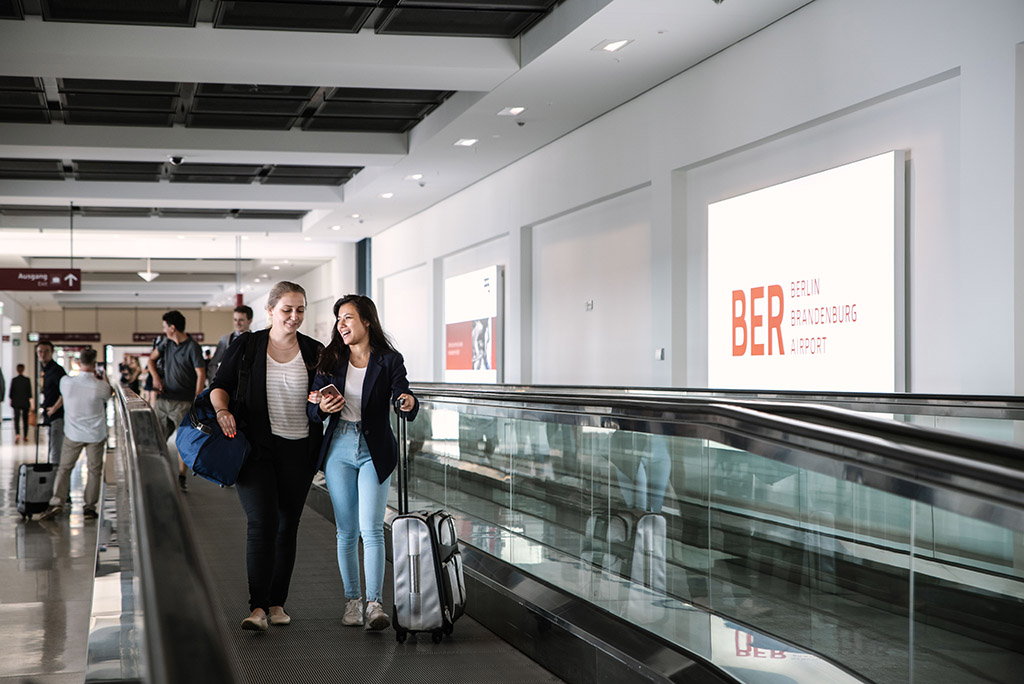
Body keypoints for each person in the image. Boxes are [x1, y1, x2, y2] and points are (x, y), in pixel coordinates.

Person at [210, 282, 324, 632]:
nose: (294, 316)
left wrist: (327, 403)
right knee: (262, 523)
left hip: (300, 450)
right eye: (287, 309)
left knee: (287, 526)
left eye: (300, 309)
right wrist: (221, 410)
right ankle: (257, 607)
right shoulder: (248, 345)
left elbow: (323, 397)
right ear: (270, 310)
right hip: (255, 448)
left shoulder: (315, 350)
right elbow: (221, 384)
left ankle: (277, 604)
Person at [309, 294, 418, 631]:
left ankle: (374, 604)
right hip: (339, 445)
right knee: (346, 531)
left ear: (367, 321)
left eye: (348, 318)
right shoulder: (329, 359)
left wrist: (407, 401)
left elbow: (405, 396)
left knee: (371, 529)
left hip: (374, 447)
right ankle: (352, 601)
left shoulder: (388, 359)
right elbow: (312, 407)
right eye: (338, 319)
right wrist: (321, 407)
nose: (341, 325)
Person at [38, 348, 113, 520]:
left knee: (64, 469)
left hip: (73, 434)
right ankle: (89, 507)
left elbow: (65, 397)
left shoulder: (66, 382)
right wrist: (103, 376)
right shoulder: (99, 386)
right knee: (94, 471)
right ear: (95, 365)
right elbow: (109, 393)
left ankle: (57, 502)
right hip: (95, 435)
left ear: (79, 363)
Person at [148, 310, 206, 491]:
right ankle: (157, 474)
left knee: (183, 441)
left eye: (165, 327)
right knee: (156, 439)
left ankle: (181, 476)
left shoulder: (192, 347)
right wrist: (156, 377)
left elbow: (200, 373)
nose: (163, 330)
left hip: (184, 402)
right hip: (164, 400)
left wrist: (197, 396)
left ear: (172, 328)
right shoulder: (165, 343)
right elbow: (151, 360)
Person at [36, 341, 66, 463]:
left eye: (46, 351)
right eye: (40, 352)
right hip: (49, 415)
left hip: (57, 416)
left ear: (52, 352)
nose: (43, 354)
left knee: (55, 450)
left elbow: (65, 392)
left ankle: (55, 479)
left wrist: (54, 408)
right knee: (52, 447)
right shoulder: (45, 370)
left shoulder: (56, 370)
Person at [208, 305, 254, 383]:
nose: (237, 323)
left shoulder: (255, 339)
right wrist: (214, 385)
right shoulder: (226, 340)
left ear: (250, 321)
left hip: (249, 382)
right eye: (235, 320)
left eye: (241, 320)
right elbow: (214, 364)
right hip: (230, 383)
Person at [9, 363, 32, 444]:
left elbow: (11, 393)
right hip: (25, 402)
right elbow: (30, 394)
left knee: (17, 419)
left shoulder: (14, 380)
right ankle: (25, 435)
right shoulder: (27, 380)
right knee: (25, 420)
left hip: (16, 402)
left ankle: (17, 435)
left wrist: (11, 401)